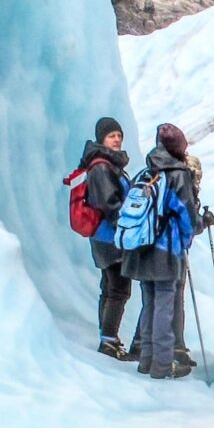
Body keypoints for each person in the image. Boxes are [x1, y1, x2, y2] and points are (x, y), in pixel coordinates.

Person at [122, 123, 199, 380]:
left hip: (142, 249)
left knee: (150, 304)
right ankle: (163, 365)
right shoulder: (179, 175)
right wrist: (198, 226)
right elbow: (186, 217)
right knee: (165, 306)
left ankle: (146, 361)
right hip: (166, 251)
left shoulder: (146, 172)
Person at [78, 117, 137, 360]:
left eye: (119, 136)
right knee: (119, 289)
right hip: (110, 237)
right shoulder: (102, 167)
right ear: (102, 138)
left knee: (110, 287)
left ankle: (107, 337)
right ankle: (109, 342)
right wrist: (128, 223)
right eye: (112, 135)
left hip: (106, 235)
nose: (117, 139)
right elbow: (109, 203)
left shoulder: (106, 165)